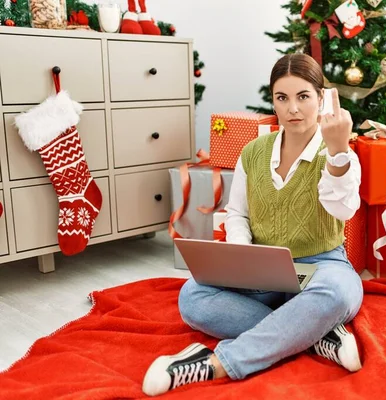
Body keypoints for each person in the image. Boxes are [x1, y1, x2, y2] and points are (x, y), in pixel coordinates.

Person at [142, 54, 364, 397]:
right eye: (282, 98)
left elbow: (344, 209)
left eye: (303, 97)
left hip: (324, 267)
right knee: (192, 296)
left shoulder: (338, 151)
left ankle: (213, 364)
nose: (293, 109)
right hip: (265, 268)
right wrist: (243, 258)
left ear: (322, 98)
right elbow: (238, 213)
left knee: (337, 294)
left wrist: (337, 152)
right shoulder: (252, 152)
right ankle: (315, 335)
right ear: (273, 101)